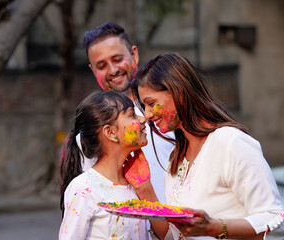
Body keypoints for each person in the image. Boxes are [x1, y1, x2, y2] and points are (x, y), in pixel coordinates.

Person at [124, 52, 284, 240]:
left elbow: (273, 217)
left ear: (179, 92)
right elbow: (173, 236)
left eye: (151, 103)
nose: (148, 115)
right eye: (145, 107)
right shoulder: (175, 158)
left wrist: (213, 227)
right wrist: (145, 189)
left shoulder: (230, 142)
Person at [82, 21, 174, 204]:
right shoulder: (91, 132)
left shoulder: (166, 111)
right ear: (93, 71)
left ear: (134, 54)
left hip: (176, 227)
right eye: (102, 66)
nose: (113, 70)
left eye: (117, 59)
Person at [58, 91, 151, 239]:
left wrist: (145, 188)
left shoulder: (135, 184)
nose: (143, 118)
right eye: (132, 115)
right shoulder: (84, 189)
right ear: (110, 132)